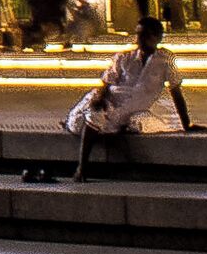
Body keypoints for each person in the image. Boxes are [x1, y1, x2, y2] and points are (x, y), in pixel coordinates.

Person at [43, 20, 194, 181]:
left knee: (136, 123)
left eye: (144, 35)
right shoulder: (123, 58)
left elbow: (176, 91)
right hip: (108, 101)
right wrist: (100, 99)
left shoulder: (166, 60)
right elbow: (105, 84)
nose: (139, 39)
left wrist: (187, 124)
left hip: (130, 110)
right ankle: (82, 168)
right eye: (138, 34)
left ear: (157, 37)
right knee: (93, 117)